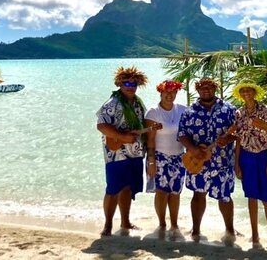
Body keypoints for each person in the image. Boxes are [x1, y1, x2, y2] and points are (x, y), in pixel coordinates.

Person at [177, 78, 238, 240]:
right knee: (198, 195)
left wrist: (228, 139)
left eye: (210, 88)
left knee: (225, 197)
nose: (206, 90)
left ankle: (230, 230)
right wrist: (193, 149)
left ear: (215, 89)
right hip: (198, 162)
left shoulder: (229, 109)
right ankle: (196, 230)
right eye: (202, 88)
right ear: (197, 90)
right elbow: (182, 135)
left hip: (222, 162)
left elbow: (239, 132)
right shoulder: (189, 112)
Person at [96, 66, 150, 236]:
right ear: (119, 83)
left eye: (133, 83)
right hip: (115, 154)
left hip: (135, 153)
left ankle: (125, 222)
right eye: (126, 83)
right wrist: (123, 137)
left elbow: (143, 126)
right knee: (112, 189)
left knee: (127, 188)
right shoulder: (112, 103)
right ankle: (108, 225)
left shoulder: (139, 104)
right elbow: (101, 125)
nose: (130, 86)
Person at [232, 80, 267, 251]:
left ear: (254, 92)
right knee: (251, 197)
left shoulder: (266, 110)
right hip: (246, 156)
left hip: (263, 155)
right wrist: (236, 163)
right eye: (243, 91)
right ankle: (255, 234)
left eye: (249, 90)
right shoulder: (239, 113)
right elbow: (237, 139)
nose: (246, 94)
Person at [145, 80, 187, 234]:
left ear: (176, 93)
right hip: (159, 156)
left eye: (173, 92)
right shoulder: (153, 112)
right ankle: (162, 224)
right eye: (166, 92)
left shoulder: (182, 109)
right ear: (160, 93)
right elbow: (149, 140)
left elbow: (188, 133)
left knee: (175, 192)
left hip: (178, 157)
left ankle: (174, 224)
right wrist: (151, 162)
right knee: (162, 192)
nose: (169, 95)